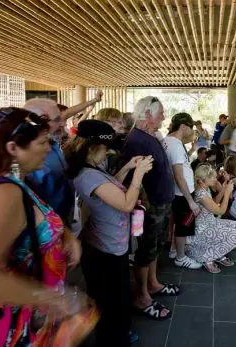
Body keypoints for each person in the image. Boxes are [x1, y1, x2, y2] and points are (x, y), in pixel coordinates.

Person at [0, 107, 93, 345]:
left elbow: (31, 219)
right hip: (9, 327)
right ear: (13, 148)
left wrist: (65, 235)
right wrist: (54, 299)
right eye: (42, 142)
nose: (49, 148)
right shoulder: (2, 194)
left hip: (25, 319)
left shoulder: (13, 182)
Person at [65, 119, 153, 346]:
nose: (108, 153)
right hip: (105, 251)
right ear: (93, 148)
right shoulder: (87, 175)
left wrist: (127, 168)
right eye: (105, 149)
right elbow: (124, 203)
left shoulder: (92, 170)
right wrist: (139, 175)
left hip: (108, 243)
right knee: (112, 303)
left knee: (115, 299)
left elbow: (109, 188)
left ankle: (118, 335)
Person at [120, 96, 177, 320]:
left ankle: (152, 284)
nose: (164, 116)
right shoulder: (137, 139)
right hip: (151, 205)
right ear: (148, 114)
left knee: (154, 249)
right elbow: (132, 177)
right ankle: (141, 296)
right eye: (161, 112)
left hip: (160, 203)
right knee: (146, 251)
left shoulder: (148, 136)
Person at [188, 165, 236, 274]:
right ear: (203, 180)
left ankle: (217, 253)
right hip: (203, 227)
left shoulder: (205, 188)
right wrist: (226, 193)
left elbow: (214, 203)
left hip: (211, 221)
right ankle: (208, 257)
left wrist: (223, 189)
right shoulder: (200, 193)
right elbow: (220, 211)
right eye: (213, 178)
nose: (216, 180)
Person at [23, 99, 74, 224]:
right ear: (40, 120)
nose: (63, 124)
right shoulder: (26, 158)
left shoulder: (53, 143)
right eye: (57, 119)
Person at [164, 113, 202, 270]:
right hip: (182, 194)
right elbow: (179, 176)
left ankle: (174, 250)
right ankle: (181, 257)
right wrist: (190, 201)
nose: (192, 131)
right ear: (184, 126)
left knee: (178, 224)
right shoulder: (175, 144)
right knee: (183, 226)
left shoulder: (170, 141)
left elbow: (180, 163)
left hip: (178, 194)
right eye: (191, 127)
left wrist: (192, 150)